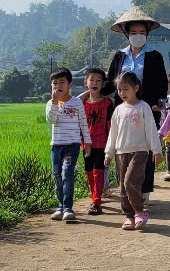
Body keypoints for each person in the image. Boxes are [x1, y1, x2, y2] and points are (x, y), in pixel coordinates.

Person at [104, 7, 168, 203]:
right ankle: (125, 189)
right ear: (127, 35)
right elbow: (110, 81)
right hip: (123, 110)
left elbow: (162, 83)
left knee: (145, 148)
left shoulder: (155, 56)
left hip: (147, 108)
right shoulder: (119, 56)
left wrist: (159, 103)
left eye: (141, 33)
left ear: (147, 34)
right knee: (123, 148)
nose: (137, 36)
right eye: (133, 33)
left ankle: (144, 191)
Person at [105, 72, 162, 231]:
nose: (122, 93)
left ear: (136, 88)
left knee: (130, 182)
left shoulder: (143, 107)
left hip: (140, 151)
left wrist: (156, 151)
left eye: (126, 89)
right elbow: (113, 133)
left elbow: (151, 130)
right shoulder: (118, 110)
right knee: (123, 187)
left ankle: (139, 211)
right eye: (119, 90)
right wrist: (109, 153)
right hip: (121, 152)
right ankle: (129, 216)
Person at [45, 67, 90, 223]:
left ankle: (68, 208)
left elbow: (84, 124)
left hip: (72, 145)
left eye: (62, 82)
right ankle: (60, 206)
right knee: (57, 176)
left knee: (67, 174)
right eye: (55, 83)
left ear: (70, 84)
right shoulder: (51, 104)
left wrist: (88, 142)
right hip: (56, 146)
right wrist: (55, 102)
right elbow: (51, 120)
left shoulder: (77, 103)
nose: (58, 86)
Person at [78, 68, 112, 215]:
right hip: (86, 143)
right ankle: (94, 196)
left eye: (99, 80)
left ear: (103, 84)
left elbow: (111, 124)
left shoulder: (107, 103)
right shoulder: (82, 104)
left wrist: (112, 145)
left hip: (102, 142)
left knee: (98, 171)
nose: (95, 83)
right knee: (88, 171)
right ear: (86, 82)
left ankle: (97, 202)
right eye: (91, 79)